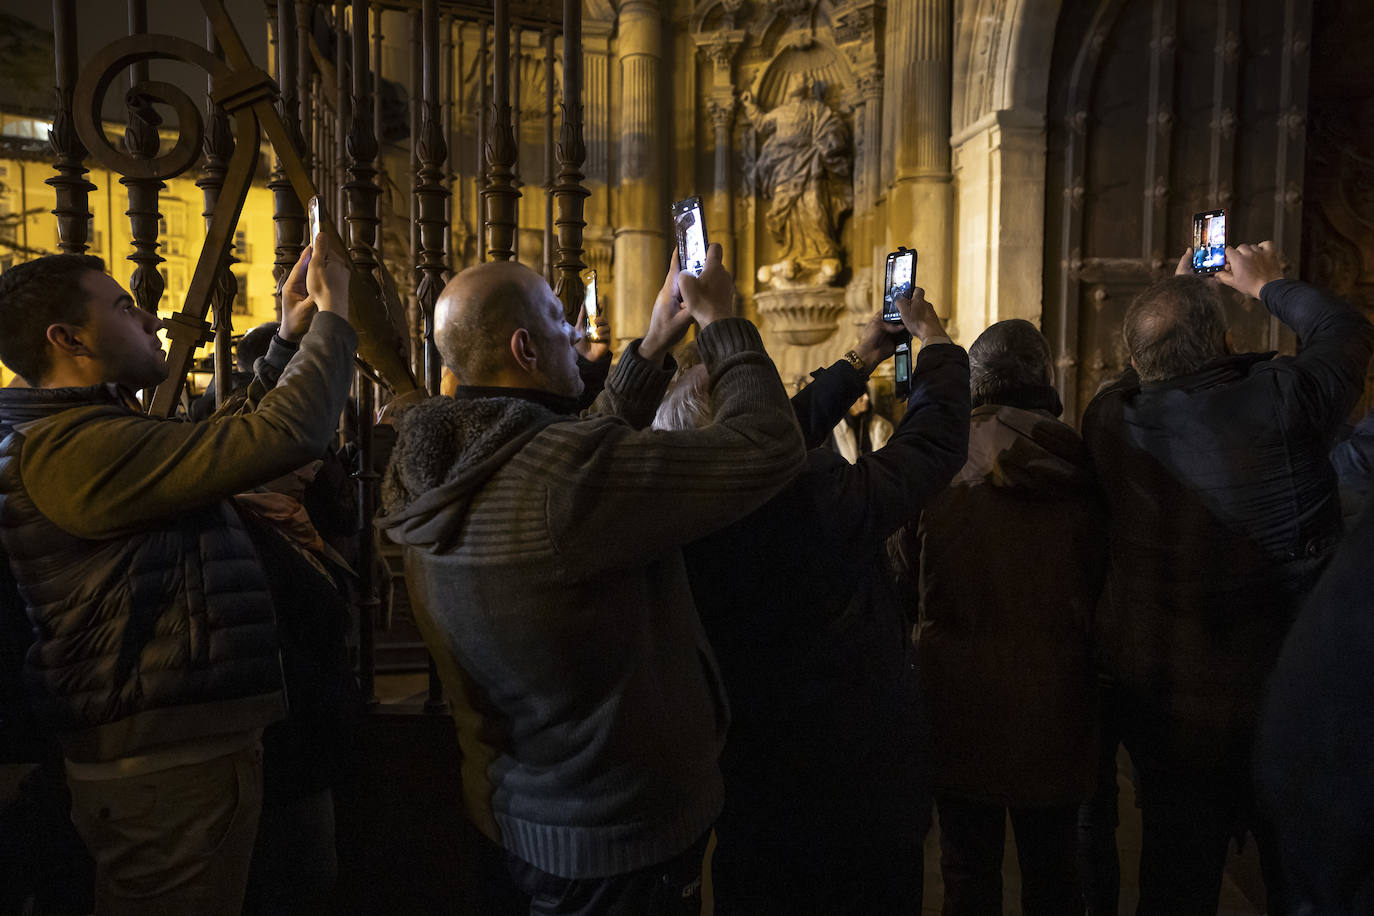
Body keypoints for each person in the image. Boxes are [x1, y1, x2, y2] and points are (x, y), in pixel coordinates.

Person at [375, 244, 805, 914]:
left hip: (512, 816)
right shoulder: (564, 480)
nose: (577, 329)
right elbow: (768, 447)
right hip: (615, 835)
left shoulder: (440, 464)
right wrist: (722, 324)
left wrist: (657, 340)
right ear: (525, 348)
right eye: (558, 317)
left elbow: (563, 467)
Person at [0, 235, 357, 915]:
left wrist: (286, 341)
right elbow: (284, 436)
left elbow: (215, 446)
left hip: (170, 754)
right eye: (123, 306)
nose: (149, 318)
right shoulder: (70, 449)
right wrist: (337, 317)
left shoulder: (81, 430)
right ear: (69, 339)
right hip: (163, 765)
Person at [1081, 241, 1374, 915]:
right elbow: (1346, 331)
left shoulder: (1109, 422)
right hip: (1284, 697)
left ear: (1135, 362)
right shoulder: (1285, 394)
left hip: (1172, 709)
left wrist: (1178, 298)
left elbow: (1131, 377)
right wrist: (1265, 284)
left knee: (1175, 880)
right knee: (1296, 876)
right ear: (1228, 342)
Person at [669, 288, 969, 913]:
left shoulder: (680, 503)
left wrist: (860, 360)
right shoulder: (816, 505)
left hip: (752, 773)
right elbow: (931, 446)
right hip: (852, 778)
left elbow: (770, 435)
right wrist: (936, 347)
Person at [905, 318, 1107, 915]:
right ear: (1047, 383)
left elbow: (898, 579)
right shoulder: (1090, 466)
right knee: (1055, 871)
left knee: (967, 873)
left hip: (957, 702)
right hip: (1058, 702)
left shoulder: (932, 464)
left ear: (976, 387)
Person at [828, 384, 893, 462]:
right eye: (860, 395)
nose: (866, 398)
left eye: (867, 393)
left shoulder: (882, 425)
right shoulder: (833, 429)